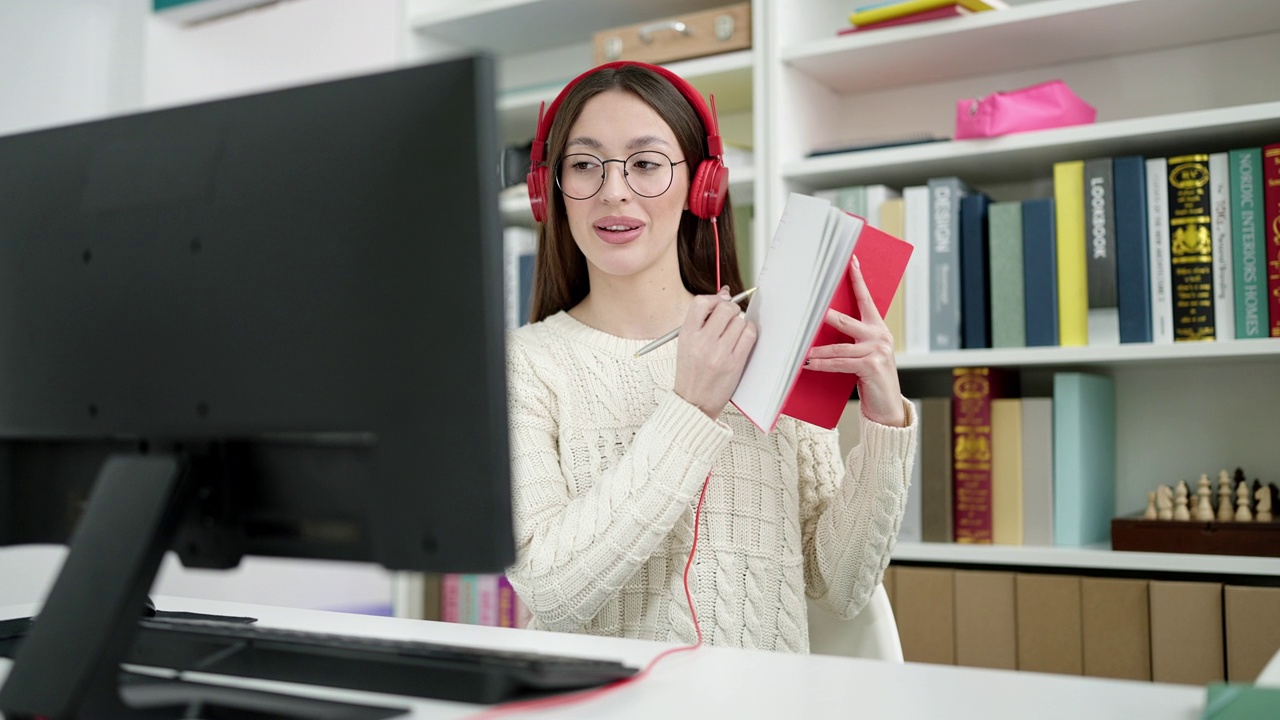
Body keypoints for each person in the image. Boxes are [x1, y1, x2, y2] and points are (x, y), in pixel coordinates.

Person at [503, 61, 917, 653]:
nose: (614, 190)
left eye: (646, 163)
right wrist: (690, 407)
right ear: (551, 191)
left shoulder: (771, 341)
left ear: (703, 187)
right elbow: (551, 588)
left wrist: (884, 423)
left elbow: (840, 586)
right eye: (585, 165)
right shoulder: (523, 364)